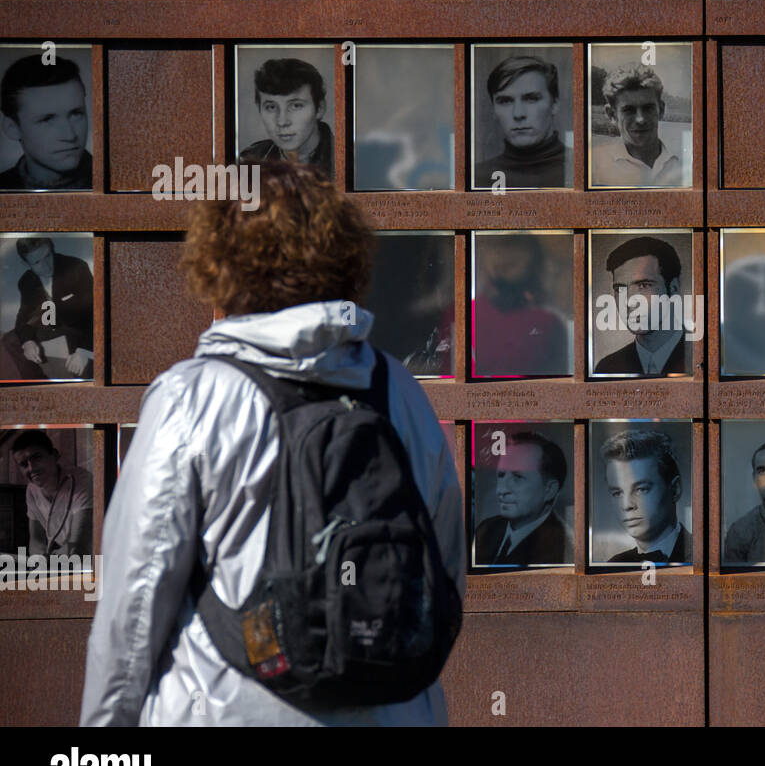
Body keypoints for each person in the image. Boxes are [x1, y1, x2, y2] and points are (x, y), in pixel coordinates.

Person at [80, 161, 465, 726]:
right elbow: (444, 571)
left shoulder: (192, 397)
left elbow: (136, 602)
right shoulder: (395, 387)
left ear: (221, 262)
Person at [472, 233, 569, 376]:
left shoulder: (550, 323)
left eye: (513, 258)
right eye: (497, 251)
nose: (503, 257)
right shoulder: (467, 313)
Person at [0, 236, 94, 381]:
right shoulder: (26, 281)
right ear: (25, 263)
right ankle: (39, 382)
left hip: (79, 323)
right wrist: (27, 341)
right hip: (48, 320)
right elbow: (24, 316)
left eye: (48, 256)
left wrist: (84, 351)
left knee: (83, 373)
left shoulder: (77, 267)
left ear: (52, 250)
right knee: (10, 340)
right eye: (37, 262)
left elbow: (95, 313)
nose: (47, 266)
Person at [474, 431, 573, 566]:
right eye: (501, 475)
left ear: (549, 490)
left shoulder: (565, 547)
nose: (501, 490)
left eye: (518, 477)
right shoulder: (485, 530)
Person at [593, 236, 687, 376]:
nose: (629, 301)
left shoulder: (701, 356)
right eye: (620, 289)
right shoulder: (607, 368)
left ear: (673, 288)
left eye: (643, 286)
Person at [0, 54, 92, 191]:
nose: (70, 136)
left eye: (76, 114)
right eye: (47, 119)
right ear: (12, 128)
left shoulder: (115, 178)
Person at [474, 55, 568, 189]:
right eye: (505, 101)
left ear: (554, 104)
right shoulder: (475, 179)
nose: (518, 114)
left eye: (531, 99)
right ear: (493, 109)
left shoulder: (586, 170)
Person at [600, 429, 691, 564]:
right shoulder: (613, 564)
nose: (627, 505)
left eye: (641, 489)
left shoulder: (703, 556)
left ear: (675, 489)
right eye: (617, 493)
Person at [590, 65, 686, 187]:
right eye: (629, 110)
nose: (640, 119)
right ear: (612, 115)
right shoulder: (593, 165)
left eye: (648, 108)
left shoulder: (685, 164)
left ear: (661, 110)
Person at [238, 58, 333, 177]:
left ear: (319, 108)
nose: (282, 121)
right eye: (271, 107)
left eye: (296, 106)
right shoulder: (247, 162)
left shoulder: (351, 160)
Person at [9, 429, 92, 558]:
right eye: (24, 464)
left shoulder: (82, 481)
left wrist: (51, 557)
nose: (31, 468)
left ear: (54, 455)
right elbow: (36, 540)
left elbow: (78, 547)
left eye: (36, 458)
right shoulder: (31, 490)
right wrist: (40, 555)